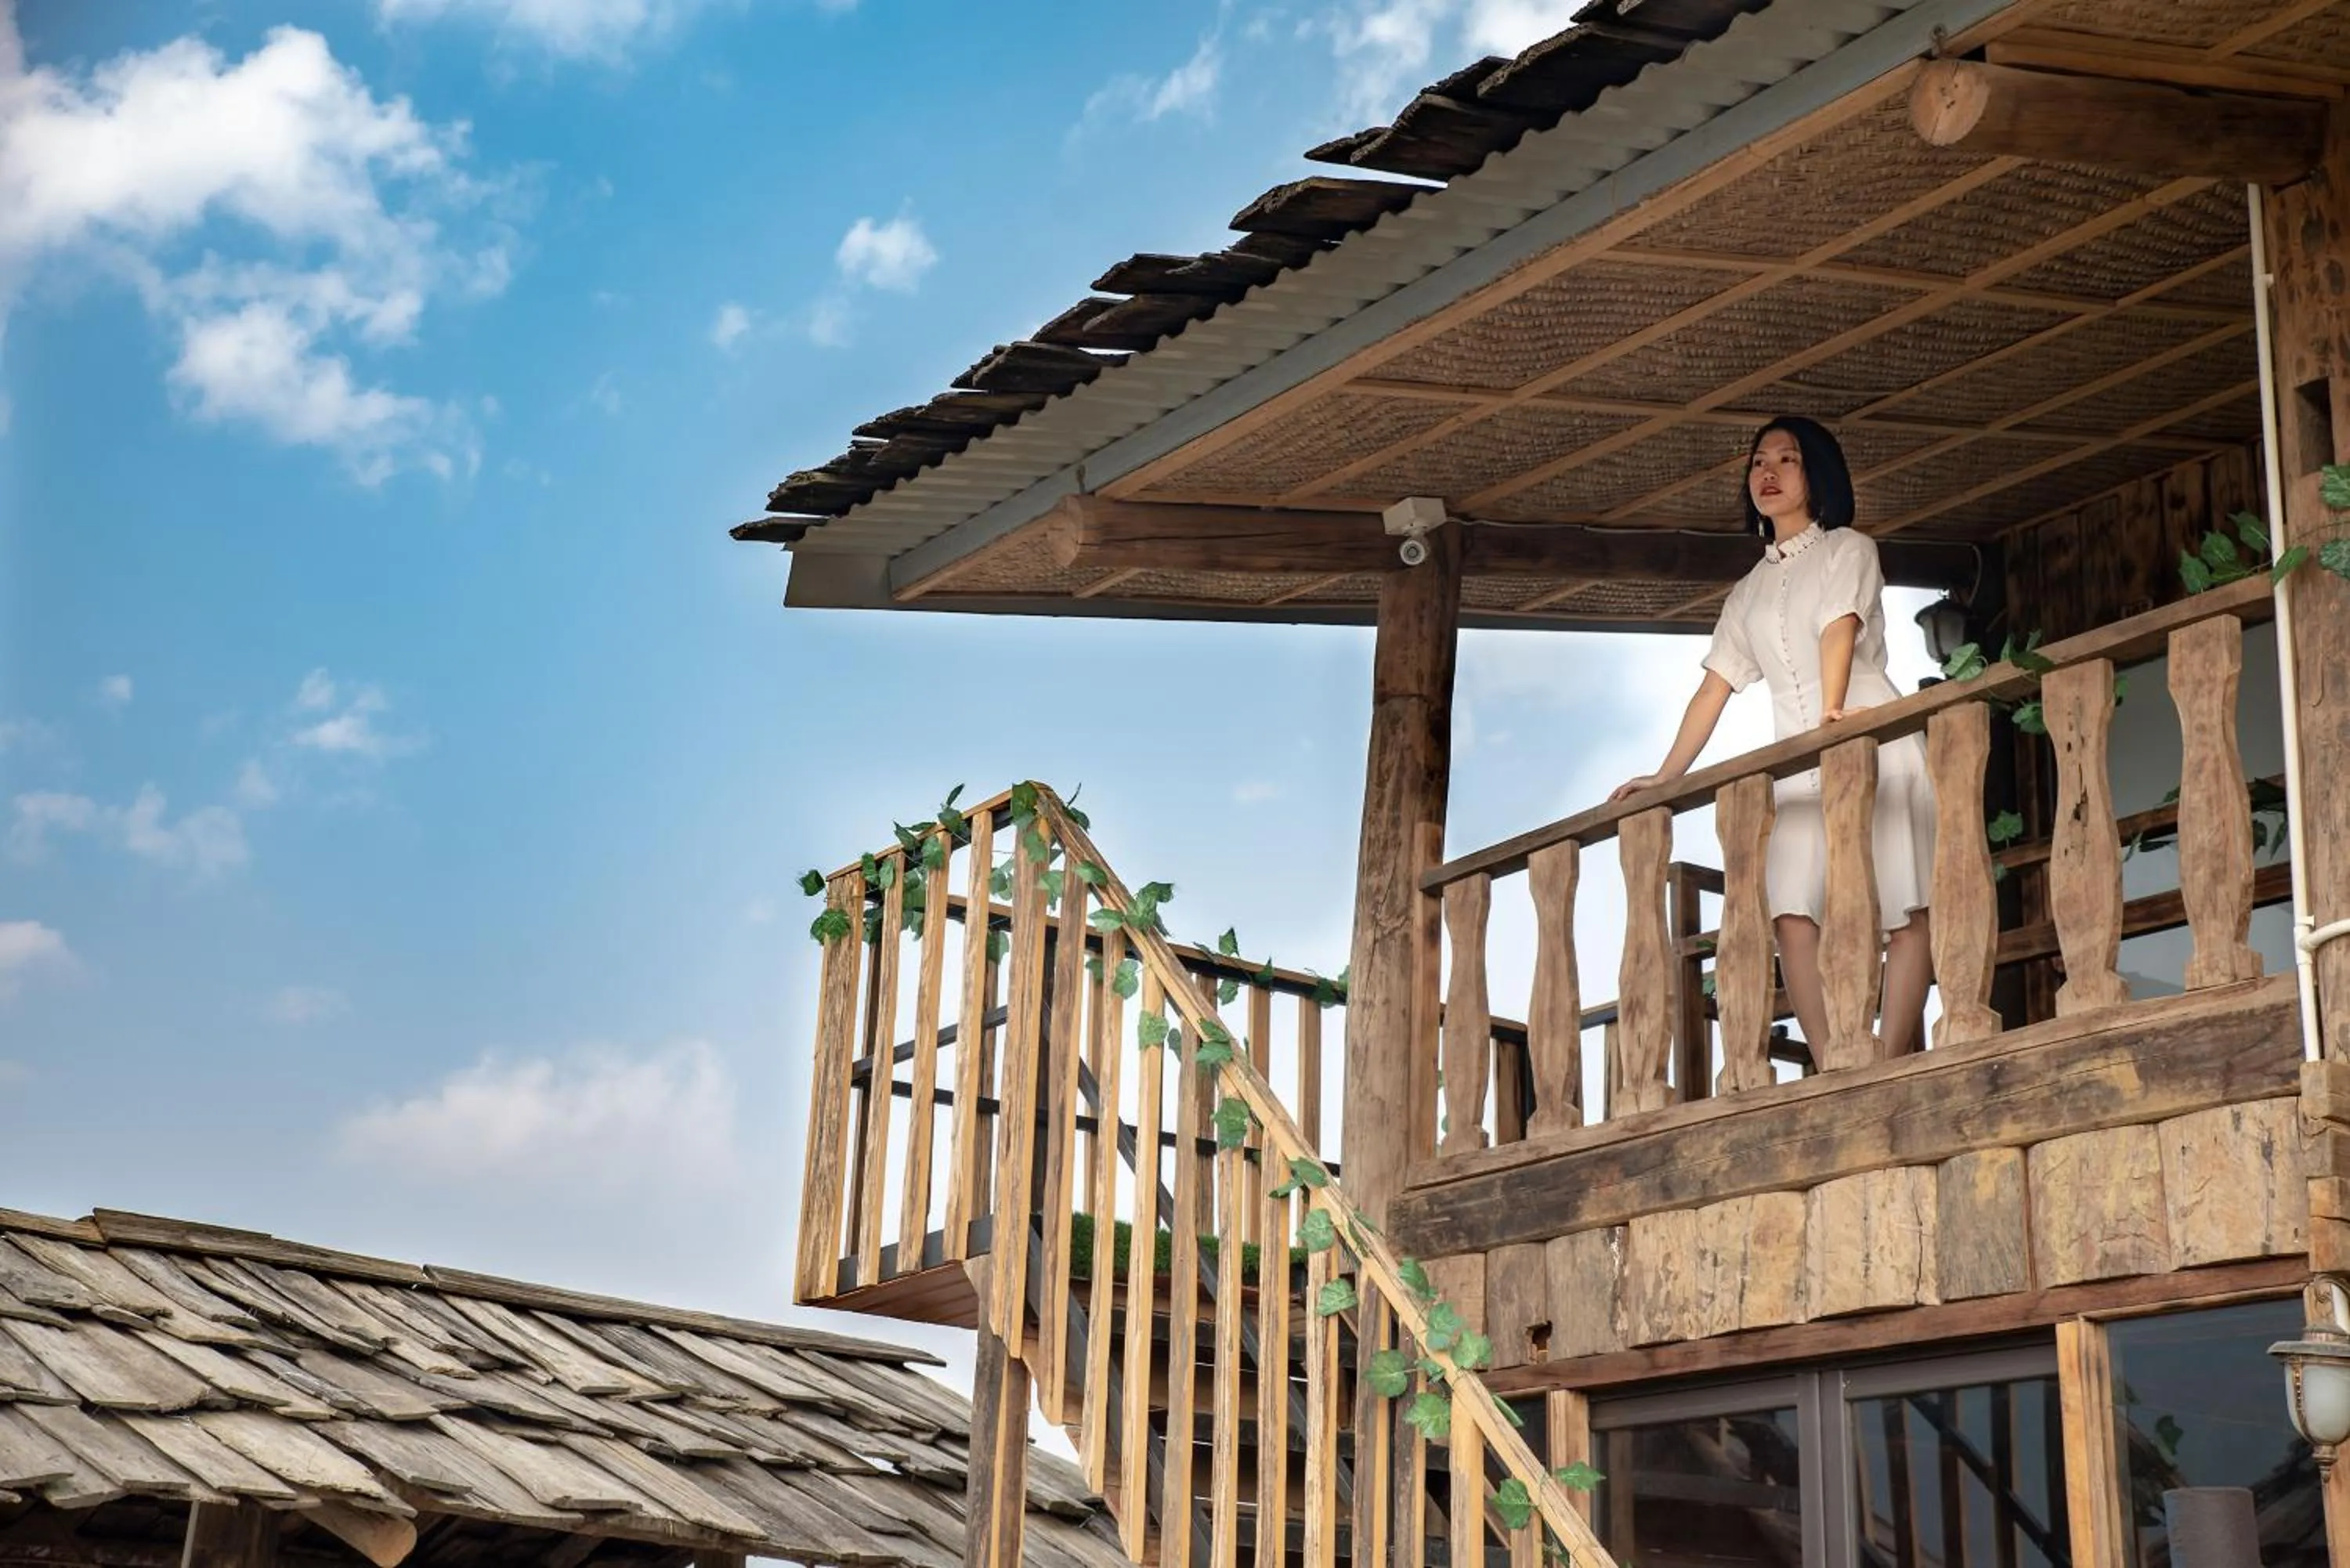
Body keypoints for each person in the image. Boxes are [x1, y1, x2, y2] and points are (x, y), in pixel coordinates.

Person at [1611, 416, 1936, 1057]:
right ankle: (1836, 1057)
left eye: (1788, 460)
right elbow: (1715, 686)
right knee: (1790, 908)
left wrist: (1835, 712)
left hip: (1873, 734)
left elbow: (1838, 627)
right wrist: (1666, 774)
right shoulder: (1748, 592)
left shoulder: (1850, 549)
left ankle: (1892, 1055)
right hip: (1798, 759)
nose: (1769, 472)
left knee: (1906, 902)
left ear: (1817, 476)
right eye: (1760, 461)